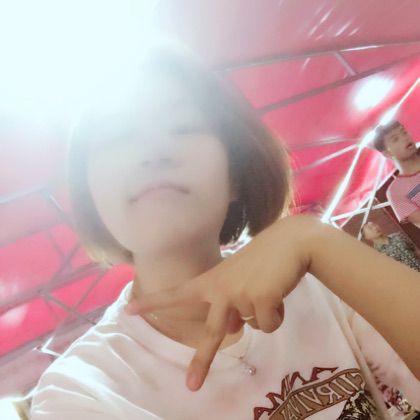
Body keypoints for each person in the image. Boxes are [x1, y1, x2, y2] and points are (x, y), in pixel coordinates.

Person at [30, 45, 420, 420]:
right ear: (90, 193)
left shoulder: (319, 282)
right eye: (116, 136)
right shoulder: (80, 392)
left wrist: (314, 239)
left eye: (183, 127)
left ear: (235, 173)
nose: (152, 151)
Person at [373, 121, 420, 228]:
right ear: (387, 153)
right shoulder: (395, 192)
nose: (405, 138)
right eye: (395, 139)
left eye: (404, 132)